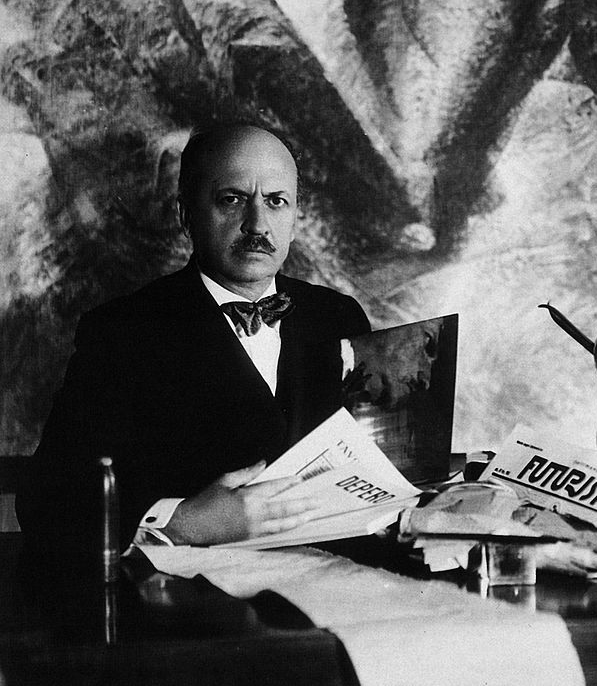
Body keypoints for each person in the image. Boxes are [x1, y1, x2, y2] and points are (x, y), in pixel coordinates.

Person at [17, 123, 371, 553]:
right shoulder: (123, 331)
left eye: (276, 201)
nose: (257, 223)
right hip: (192, 589)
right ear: (187, 216)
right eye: (232, 199)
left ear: (295, 219)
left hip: (336, 579)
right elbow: (44, 501)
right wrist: (182, 523)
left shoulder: (338, 317)